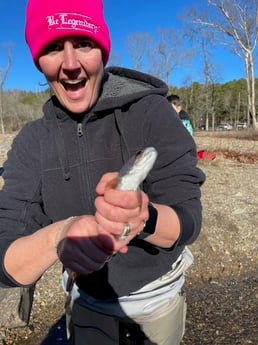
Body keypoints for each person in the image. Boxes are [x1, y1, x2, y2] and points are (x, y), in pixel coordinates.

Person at [0, 0, 205, 344]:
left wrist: (144, 217)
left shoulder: (151, 111)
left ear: (102, 50)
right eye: (52, 47)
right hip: (88, 304)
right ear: (37, 60)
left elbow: (188, 218)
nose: (70, 64)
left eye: (83, 43)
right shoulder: (32, 142)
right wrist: (60, 236)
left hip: (159, 303)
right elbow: (6, 257)